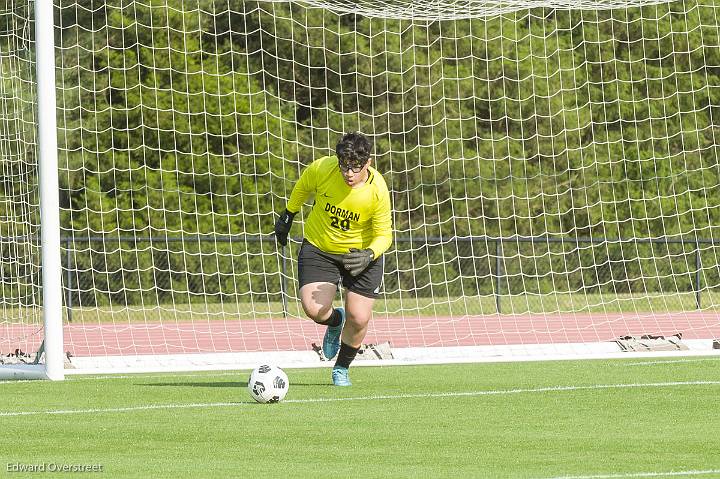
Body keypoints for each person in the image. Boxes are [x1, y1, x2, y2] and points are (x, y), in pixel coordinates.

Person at [274, 132, 392, 386]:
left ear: (368, 163)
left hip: (361, 255)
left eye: (355, 168)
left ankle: (341, 368)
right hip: (320, 248)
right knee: (314, 310)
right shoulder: (322, 168)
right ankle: (335, 321)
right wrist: (288, 214)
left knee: (359, 318)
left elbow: (385, 234)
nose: (348, 173)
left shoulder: (378, 189)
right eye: (344, 166)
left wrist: (369, 254)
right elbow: (303, 187)